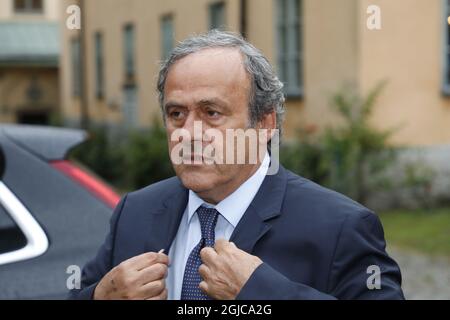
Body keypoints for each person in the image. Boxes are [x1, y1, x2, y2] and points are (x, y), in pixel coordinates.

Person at [69, 30, 404, 300]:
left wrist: (261, 292)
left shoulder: (340, 227)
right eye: (176, 114)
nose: (188, 134)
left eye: (211, 113)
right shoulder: (136, 211)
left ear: (264, 125)